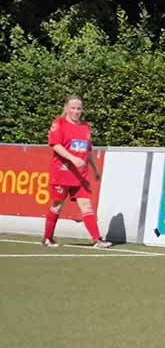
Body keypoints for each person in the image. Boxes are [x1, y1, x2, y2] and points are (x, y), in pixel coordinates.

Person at [44, 95, 111, 249]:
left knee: (86, 205)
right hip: (62, 173)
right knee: (57, 206)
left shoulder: (85, 127)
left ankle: (97, 240)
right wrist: (73, 159)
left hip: (81, 176)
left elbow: (87, 150)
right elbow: (55, 145)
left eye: (79, 108)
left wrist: (95, 168)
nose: (76, 111)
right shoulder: (59, 123)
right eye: (73, 108)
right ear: (66, 108)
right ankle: (47, 238)